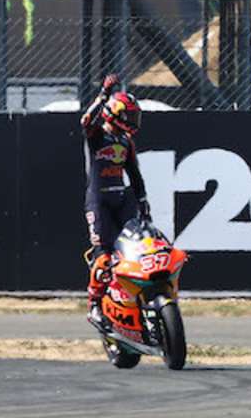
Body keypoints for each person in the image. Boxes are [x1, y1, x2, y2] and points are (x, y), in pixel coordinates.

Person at [81, 74, 148, 330]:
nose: (133, 121)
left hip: (122, 198)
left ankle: (133, 298)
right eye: (130, 116)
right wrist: (103, 95)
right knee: (103, 258)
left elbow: (135, 173)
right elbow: (86, 119)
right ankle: (95, 305)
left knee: (136, 249)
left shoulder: (126, 142)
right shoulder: (96, 135)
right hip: (98, 201)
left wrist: (143, 201)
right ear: (115, 115)